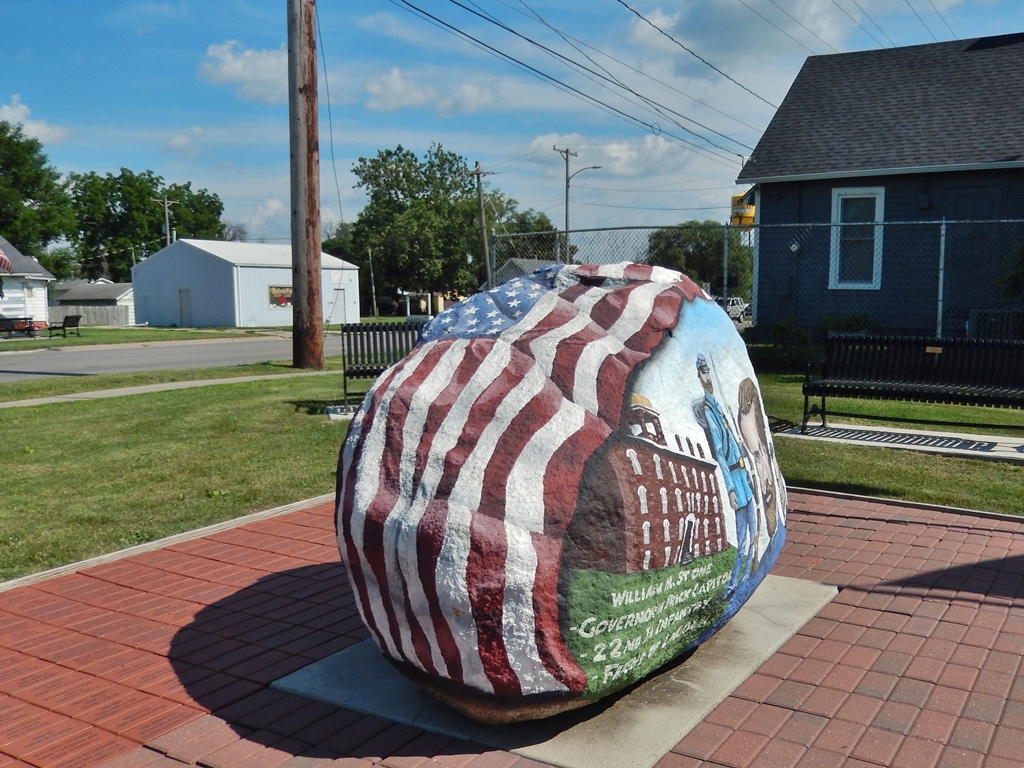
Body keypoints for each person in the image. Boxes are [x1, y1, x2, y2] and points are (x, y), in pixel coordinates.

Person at [696, 354, 756, 593]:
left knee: (754, 532)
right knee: (742, 540)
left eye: (708, 372)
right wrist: (730, 488)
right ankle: (733, 582)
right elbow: (720, 452)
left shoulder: (718, 406)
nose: (708, 377)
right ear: (698, 377)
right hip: (735, 481)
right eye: (703, 373)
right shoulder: (709, 411)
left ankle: (747, 575)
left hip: (744, 477)